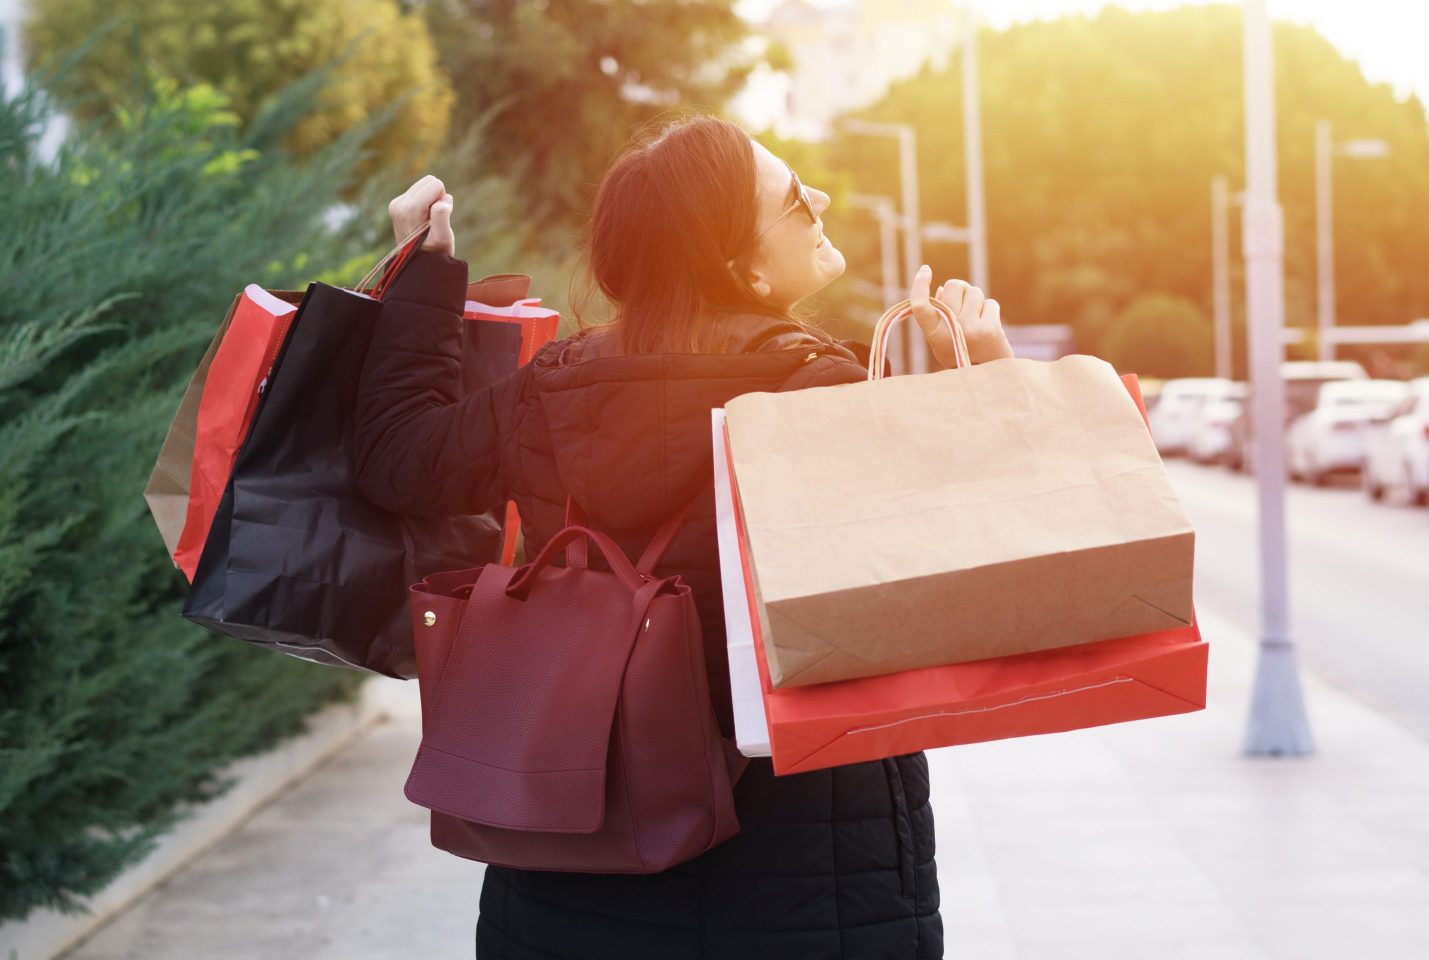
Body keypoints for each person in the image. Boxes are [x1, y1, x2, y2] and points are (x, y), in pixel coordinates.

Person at [354, 114, 1013, 960]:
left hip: (571, 866)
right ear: (737, 263)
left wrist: (424, 273)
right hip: (812, 882)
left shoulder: (549, 392)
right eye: (794, 202)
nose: (818, 200)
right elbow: (987, 565)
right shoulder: (826, 395)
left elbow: (396, 460)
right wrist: (987, 368)